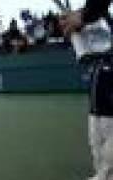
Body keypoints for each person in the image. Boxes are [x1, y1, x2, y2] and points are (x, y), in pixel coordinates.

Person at [60, 1, 112, 180]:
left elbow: (96, 12)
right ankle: (101, 174)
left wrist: (82, 17)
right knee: (96, 135)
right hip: (98, 93)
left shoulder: (100, 17)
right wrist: (76, 30)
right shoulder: (95, 60)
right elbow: (84, 55)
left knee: (107, 133)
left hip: (109, 95)